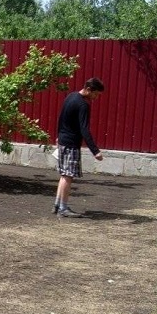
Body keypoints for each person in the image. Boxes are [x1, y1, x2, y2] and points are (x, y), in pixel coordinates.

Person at [53, 77, 105, 218]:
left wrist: (58, 135)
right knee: (68, 177)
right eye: (96, 94)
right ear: (89, 90)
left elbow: (61, 117)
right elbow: (84, 129)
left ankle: (57, 204)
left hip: (63, 140)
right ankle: (63, 208)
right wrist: (95, 151)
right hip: (71, 144)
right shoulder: (83, 105)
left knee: (64, 175)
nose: (95, 97)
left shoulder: (71, 96)